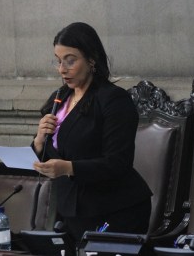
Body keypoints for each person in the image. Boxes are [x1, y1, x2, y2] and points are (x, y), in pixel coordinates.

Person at [32, 22, 152, 244]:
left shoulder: (113, 100)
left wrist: (68, 167)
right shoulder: (60, 97)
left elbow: (118, 162)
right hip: (71, 210)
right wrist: (39, 140)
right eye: (58, 61)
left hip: (115, 209)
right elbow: (51, 152)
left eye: (70, 60)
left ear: (91, 59)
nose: (62, 69)